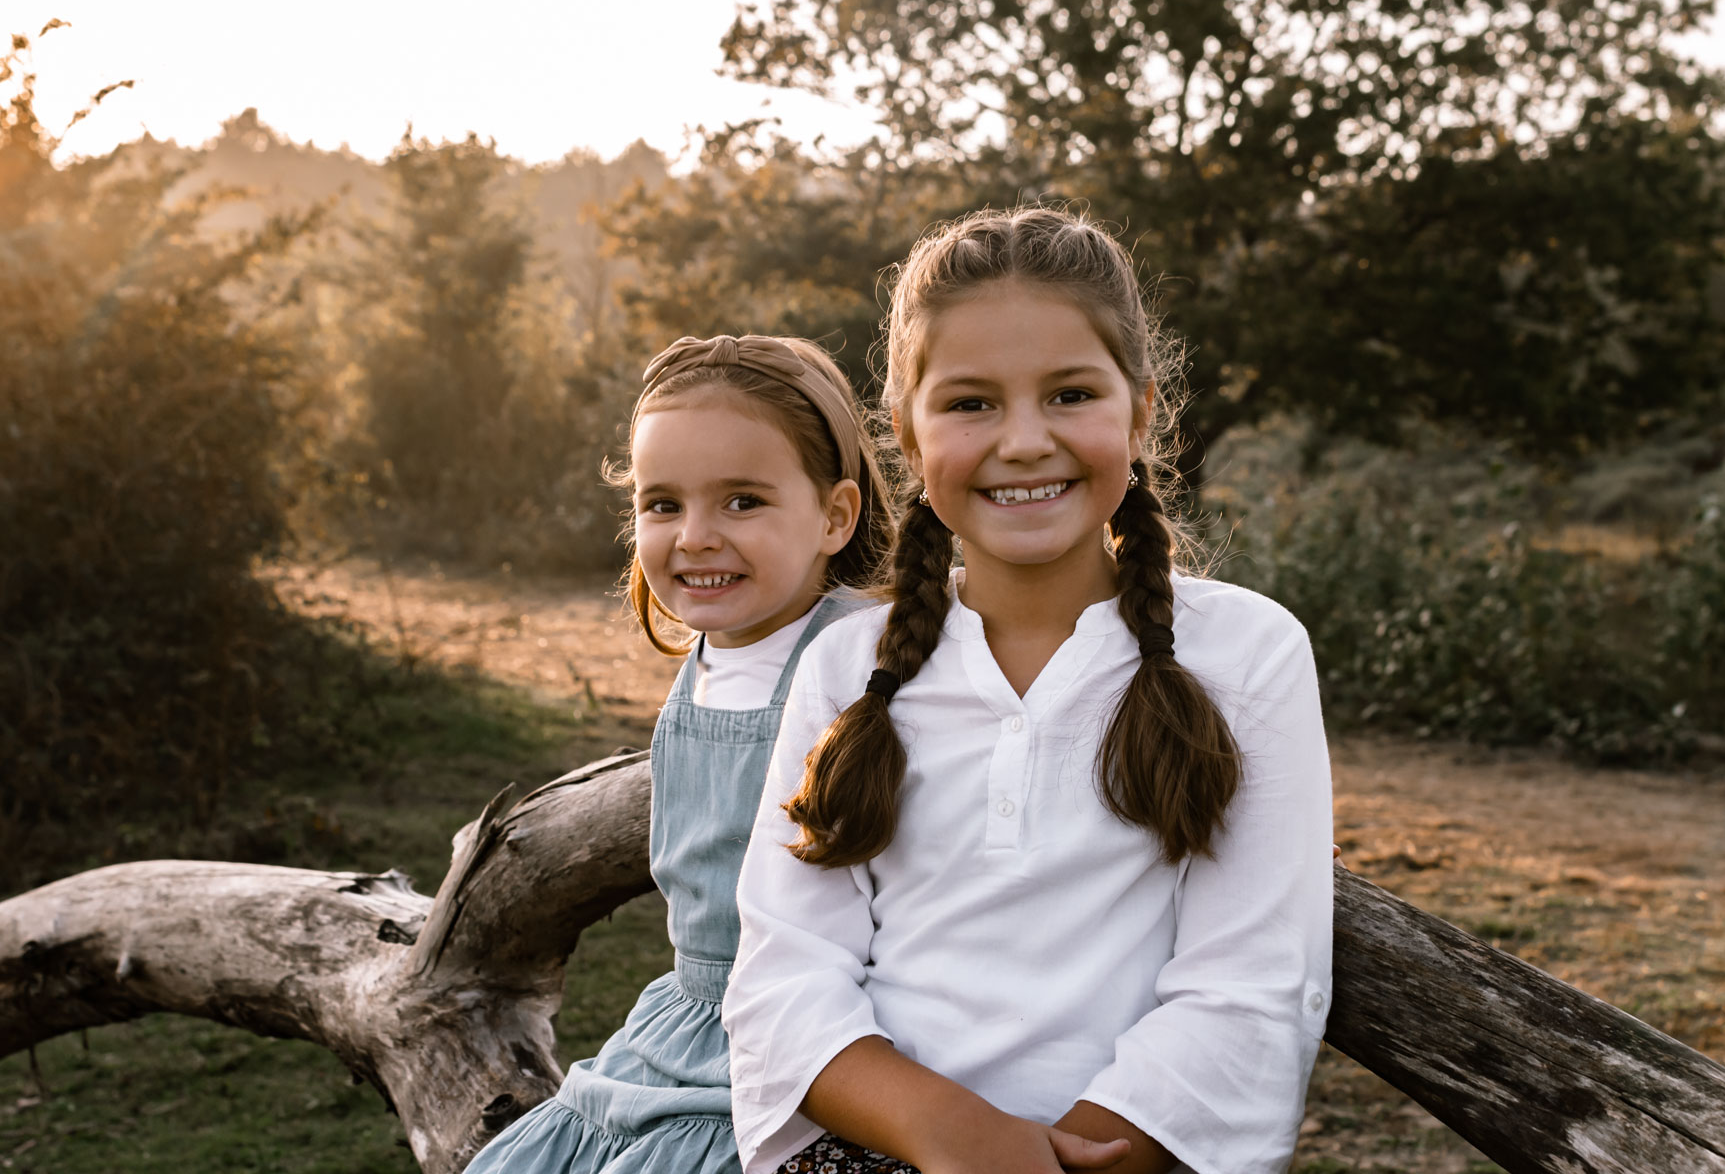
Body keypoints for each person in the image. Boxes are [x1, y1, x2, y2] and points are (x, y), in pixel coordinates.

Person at [722, 207, 1334, 1174]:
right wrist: (959, 1140)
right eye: (970, 404)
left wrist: (1067, 1158)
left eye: (1070, 394)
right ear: (907, 437)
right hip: (873, 1151)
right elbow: (786, 974)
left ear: (1139, 413)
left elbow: (1253, 980)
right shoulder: (848, 667)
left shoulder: (1248, 653)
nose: (1022, 441)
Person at [464, 333, 894, 1174]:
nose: (695, 536)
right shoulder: (703, 661)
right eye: (662, 505)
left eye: (741, 501)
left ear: (834, 516)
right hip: (690, 1012)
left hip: (813, 1024)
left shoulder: (856, 657)